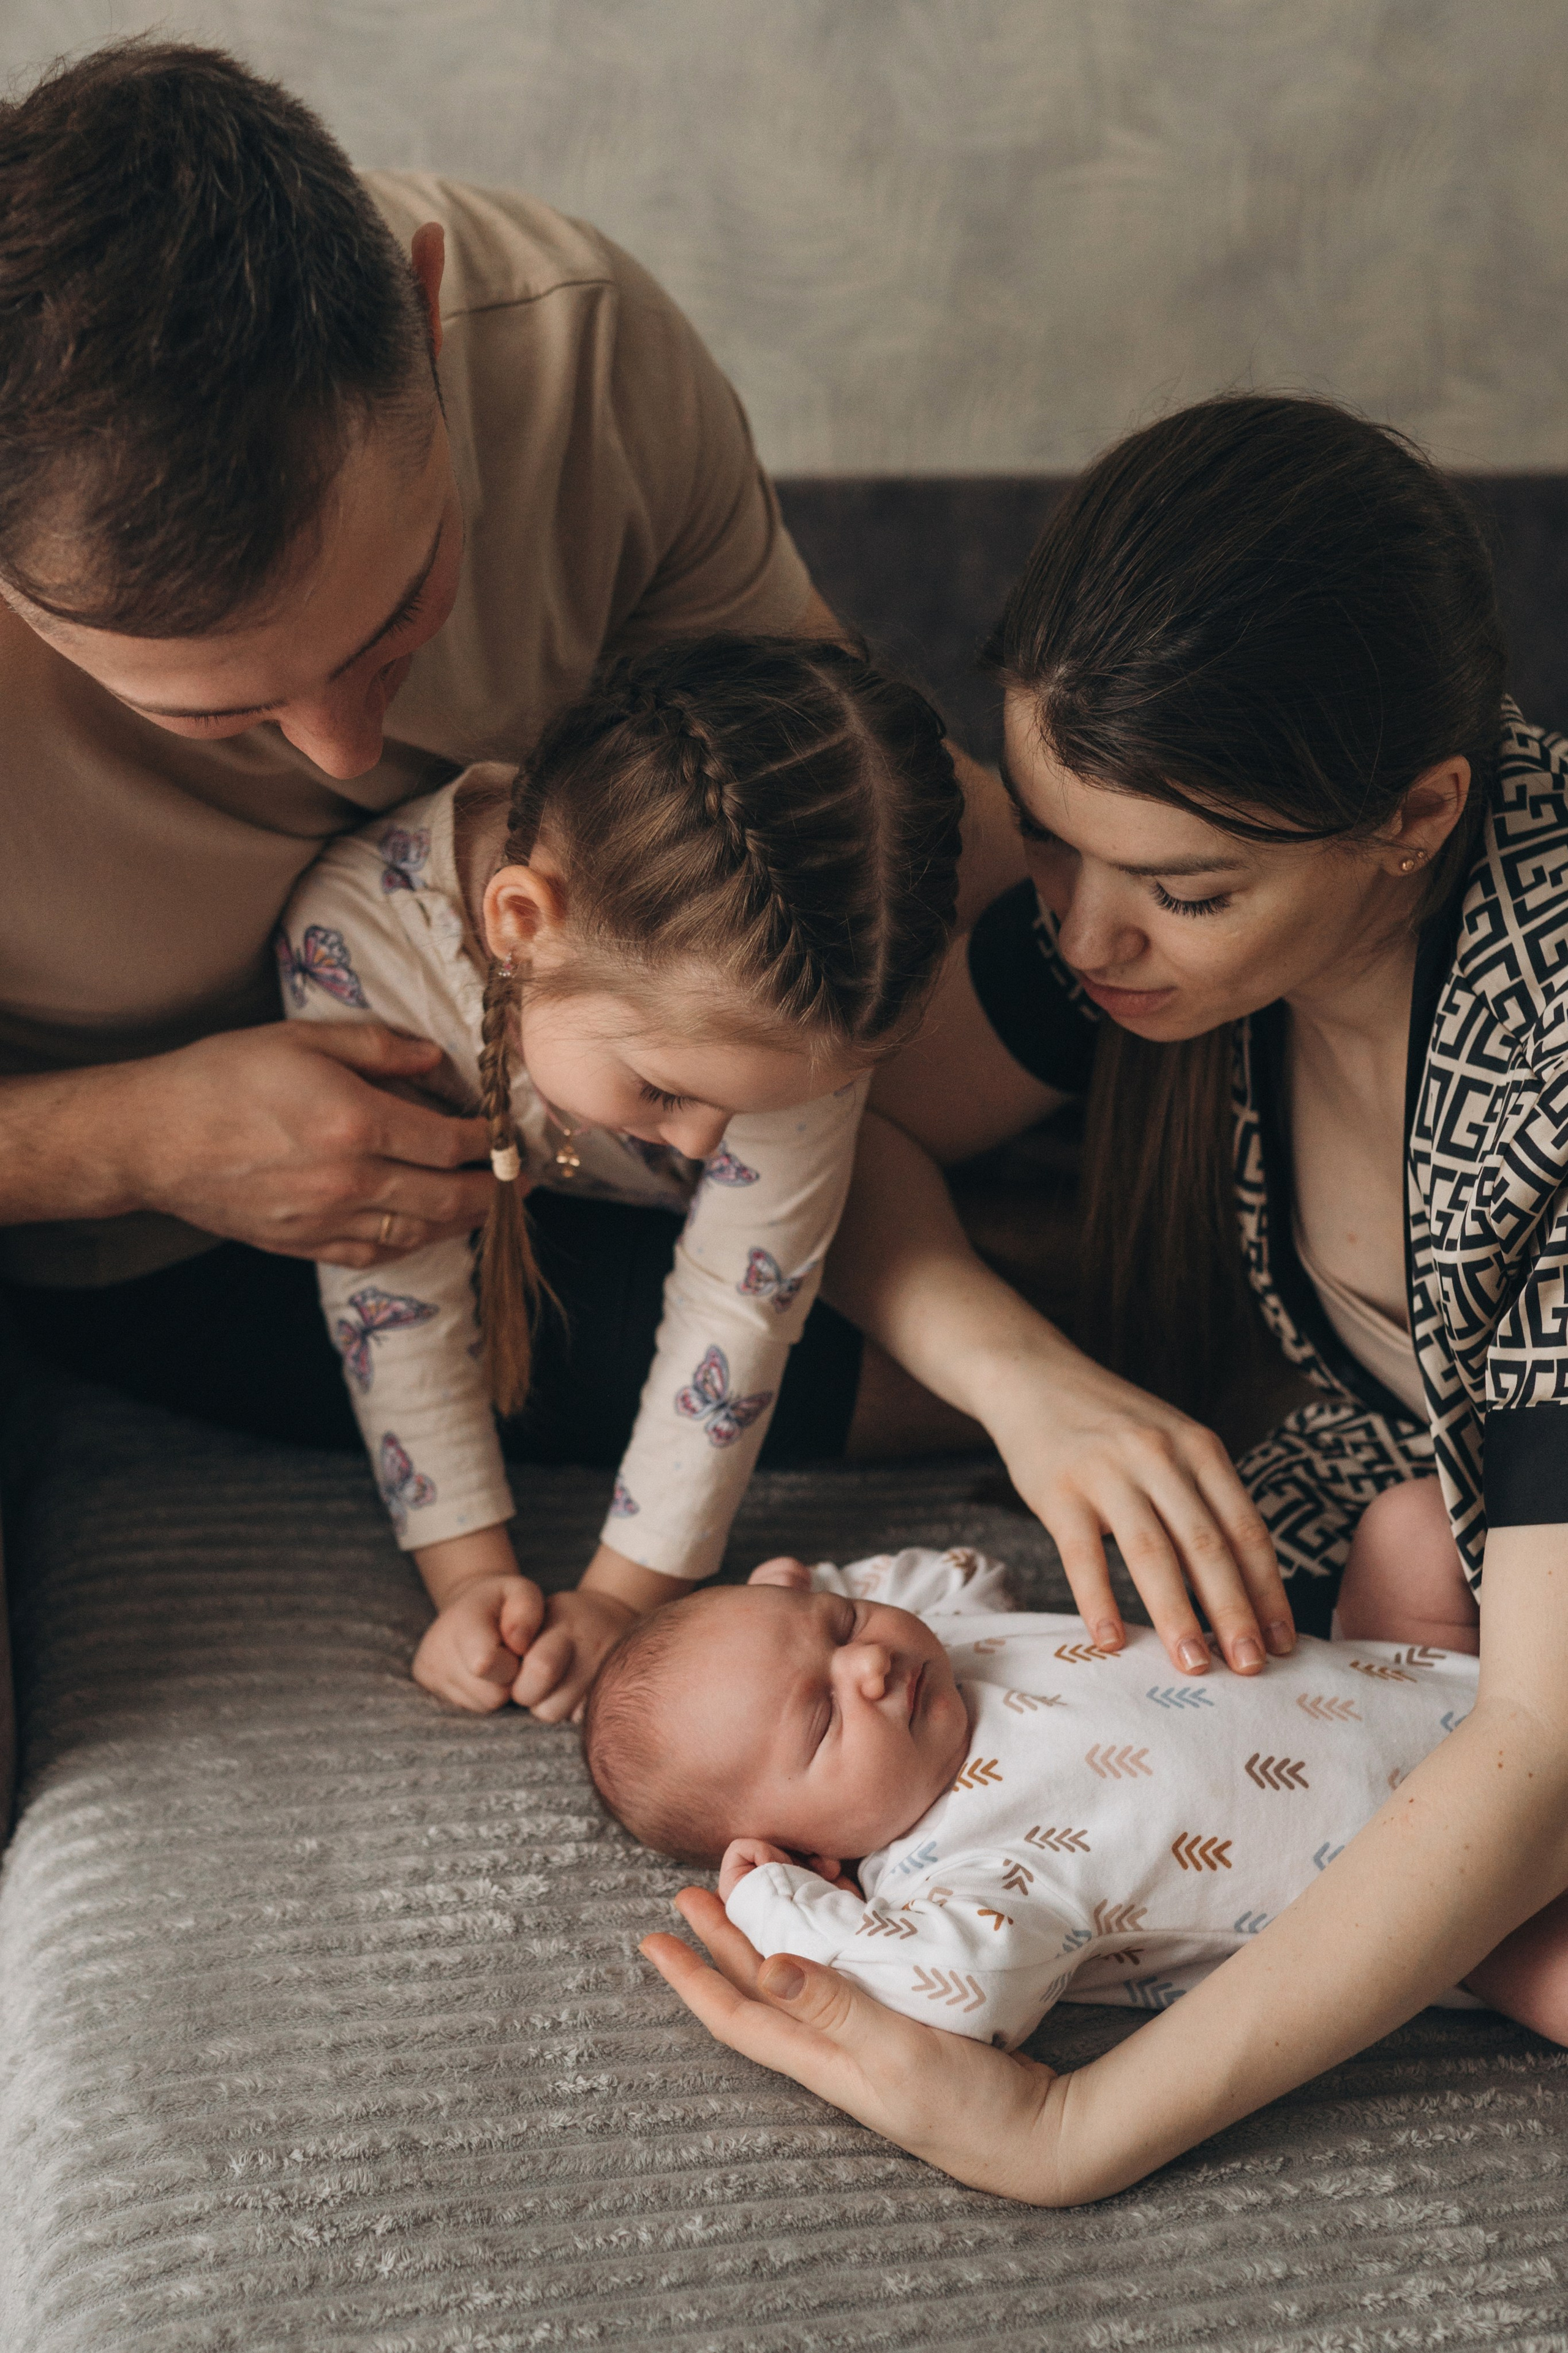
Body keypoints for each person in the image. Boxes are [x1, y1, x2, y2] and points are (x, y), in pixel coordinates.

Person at [641, 394, 1568, 2205]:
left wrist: (1071, 2124)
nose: (1081, 938)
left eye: (1179, 893)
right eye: (1054, 848)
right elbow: (852, 1132)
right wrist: (1018, 1376)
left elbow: (1540, 1746)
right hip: (1433, 1552)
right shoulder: (1149, 895)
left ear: (1418, 816)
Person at [0, 38, 1018, 1445]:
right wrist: (129, 1143)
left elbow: (833, 780)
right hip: (166, 1228)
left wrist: (1121, 919)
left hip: (632, 1041)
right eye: (213, 710)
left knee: (1056, 1033)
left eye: (401, 611)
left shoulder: (568, 347)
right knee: (885, 1396)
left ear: (425, 321)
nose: (351, 753)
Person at [280, 635, 962, 1720]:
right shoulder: (356, 948)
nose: (700, 1145)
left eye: (748, 1108)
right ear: (519, 924)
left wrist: (623, 1600)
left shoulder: (812, 996)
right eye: (662, 1089)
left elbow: (740, 1302)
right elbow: (392, 1293)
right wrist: (469, 1583)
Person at [601, 1541, 1568, 2049]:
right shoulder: (957, 1873)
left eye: (840, 1624)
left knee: (1408, 1520)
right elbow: (970, 1997)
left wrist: (810, 1582)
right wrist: (783, 1909)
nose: (867, 1664)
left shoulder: (947, 1639)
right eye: (819, 1720)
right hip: (1469, 1900)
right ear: (807, 1846)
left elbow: (965, 1569)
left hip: (1449, 1679)